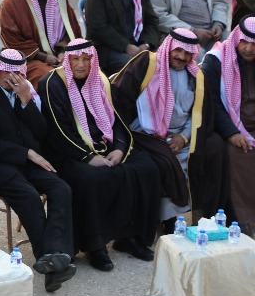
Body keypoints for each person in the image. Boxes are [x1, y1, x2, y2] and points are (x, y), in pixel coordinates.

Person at [38, 40, 162, 270]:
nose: (81, 64)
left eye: (86, 59)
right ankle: (95, 246)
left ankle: (129, 237)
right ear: (67, 60)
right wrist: (87, 157)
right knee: (94, 177)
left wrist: (119, 148)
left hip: (104, 146)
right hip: (67, 151)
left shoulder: (99, 79)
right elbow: (57, 130)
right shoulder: (52, 83)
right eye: (76, 59)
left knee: (146, 168)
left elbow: (115, 119)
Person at [0, 49, 77, 291]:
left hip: (26, 165)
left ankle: (54, 256)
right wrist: (25, 153)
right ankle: (51, 259)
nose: (11, 77)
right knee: (29, 196)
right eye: (6, 71)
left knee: (61, 188)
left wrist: (26, 101)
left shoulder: (25, 93)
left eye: (17, 72)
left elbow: (41, 132)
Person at [112, 28, 227, 226]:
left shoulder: (196, 76)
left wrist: (184, 136)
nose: (182, 56)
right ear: (169, 47)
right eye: (178, 50)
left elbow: (199, 113)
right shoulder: (147, 63)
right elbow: (120, 99)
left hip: (180, 136)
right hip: (143, 133)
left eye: (187, 52)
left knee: (210, 150)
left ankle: (203, 216)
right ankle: (166, 220)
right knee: (166, 161)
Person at [200, 19, 255, 229]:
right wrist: (231, 132)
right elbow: (211, 102)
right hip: (230, 127)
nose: (249, 49)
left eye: (254, 44)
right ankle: (242, 218)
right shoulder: (216, 60)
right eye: (244, 42)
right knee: (238, 154)